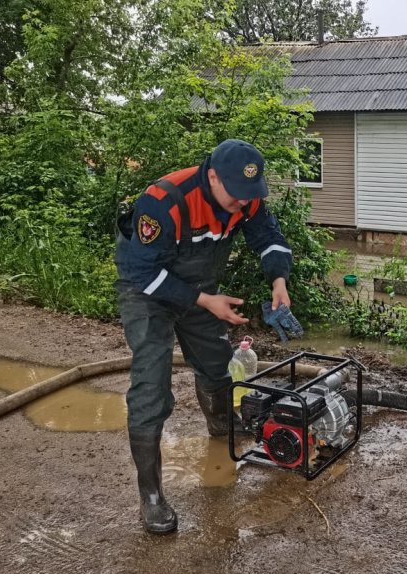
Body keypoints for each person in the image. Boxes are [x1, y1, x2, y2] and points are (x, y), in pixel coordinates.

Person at [114, 139, 292, 534]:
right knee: (151, 384)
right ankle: (152, 496)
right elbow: (143, 273)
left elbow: (269, 238)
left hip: (201, 290)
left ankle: (221, 425)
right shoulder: (165, 201)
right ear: (212, 176)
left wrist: (279, 279)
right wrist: (204, 300)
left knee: (216, 363)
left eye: (251, 197)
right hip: (146, 292)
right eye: (238, 196)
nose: (244, 205)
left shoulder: (245, 197)